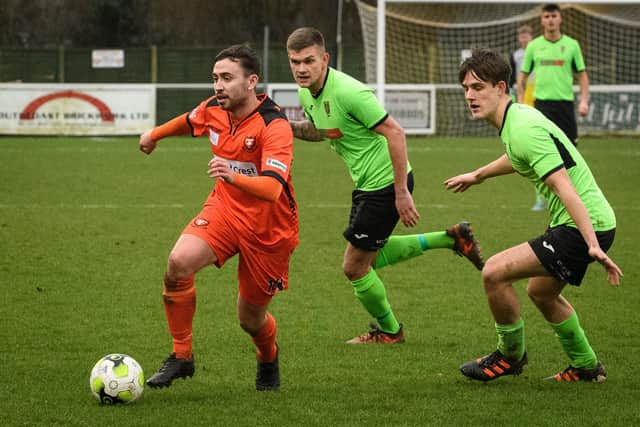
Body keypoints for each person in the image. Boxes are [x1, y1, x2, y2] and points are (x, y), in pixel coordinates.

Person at [286, 27, 485, 345]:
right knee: (370, 257)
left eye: (308, 61)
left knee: (353, 267)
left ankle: (390, 331)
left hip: (384, 184)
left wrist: (400, 192)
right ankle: (453, 238)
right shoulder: (305, 91)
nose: (301, 68)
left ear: (325, 59)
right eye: (295, 61)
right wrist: (286, 125)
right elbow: (321, 130)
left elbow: (395, 132)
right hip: (366, 184)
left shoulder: (349, 92)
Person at [445, 48, 622, 383]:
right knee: (541, 292)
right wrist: (478, 175)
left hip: (584, 226)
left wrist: (592, 244)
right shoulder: (517, 120)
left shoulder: (523, 127)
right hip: (588, 223)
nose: (469, 95)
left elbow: (564, 187)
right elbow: (518, 157)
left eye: (478, 87)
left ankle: (509, 355)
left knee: (494, 272)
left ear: (501, 87)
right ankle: (586, 367)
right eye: (466, 88)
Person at [138, 44, 299, 391]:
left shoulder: (275, 126)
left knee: (249, 319)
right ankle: (182, 356)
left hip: (269, 230)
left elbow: (272, 189)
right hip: (224, 211)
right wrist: (154, 135)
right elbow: (189, 121)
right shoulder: (213, 109)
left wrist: (232, 175)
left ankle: (268, 356)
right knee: (178, 263)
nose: (218, 86)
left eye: (227, 78)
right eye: (215, 78)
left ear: (251, 81)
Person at [517, 3, 589, 148]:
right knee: (545, 149)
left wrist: (584, 101)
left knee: (570, 149)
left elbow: (582, 76)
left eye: (554, 16)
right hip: (542, 105)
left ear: (560, 19)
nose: (550, 20)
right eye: (547, 16)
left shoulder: (572, 45)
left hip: (565, 104)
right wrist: (520, 101)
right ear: (542, 20)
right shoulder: (533, 46)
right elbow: (522, 78)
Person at [510, 24, 545, 211]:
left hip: (539, 96)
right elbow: (513, 79)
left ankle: (543, 195)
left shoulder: (539, 52)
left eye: (527, 35)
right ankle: (541, 196)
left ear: (532, 37)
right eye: (521, 36)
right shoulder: (515, 55)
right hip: (521, 96)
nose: (524, 39)